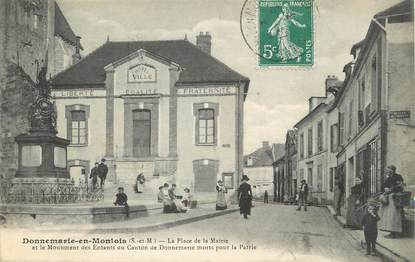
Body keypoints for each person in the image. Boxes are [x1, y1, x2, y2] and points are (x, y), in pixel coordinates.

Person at [379, 165, 404, 238]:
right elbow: (383, 186)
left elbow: (400, 186)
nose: (387, 171)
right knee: (390, 216)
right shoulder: (388, 178)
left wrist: (391, 189)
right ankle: (392, 232)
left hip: (395, 198)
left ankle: (396, 233)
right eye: (387, 170)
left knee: (394, 216)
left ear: (392, 170)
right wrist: (385, 188)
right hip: (389, 199)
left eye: (388, 169)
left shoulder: (398, 177)